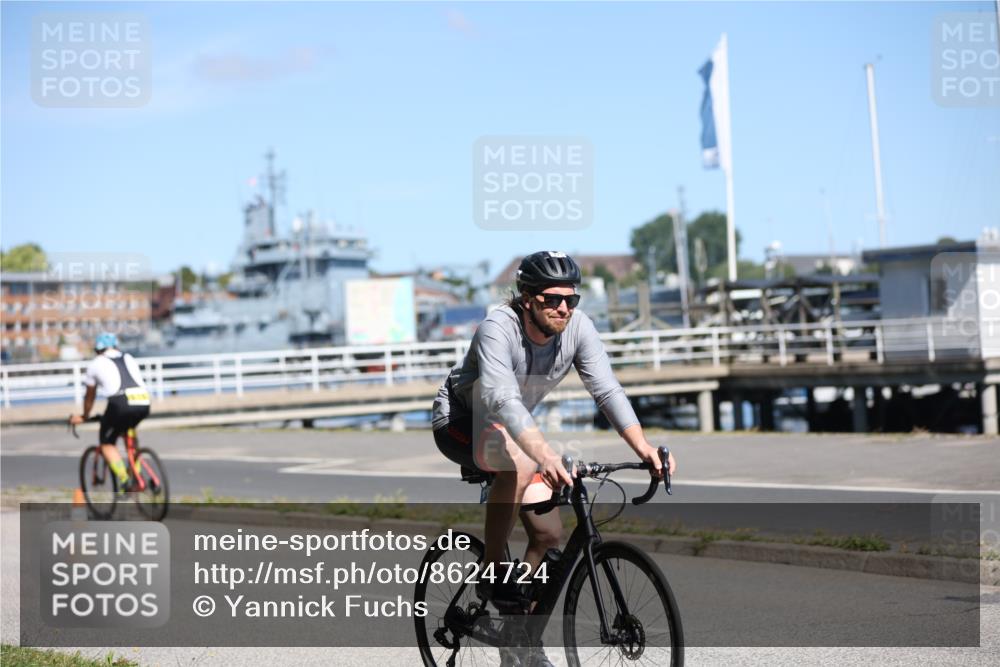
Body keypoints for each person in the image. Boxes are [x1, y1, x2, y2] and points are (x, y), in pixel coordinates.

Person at [431, 251, 678, 661]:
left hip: (511, 426)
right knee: (523, 461)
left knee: (548, 535)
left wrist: (645, 449)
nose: (563, 307)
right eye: (551, 299)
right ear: (527, 298)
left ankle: (519, 639)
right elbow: (502, 400)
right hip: (462, 419)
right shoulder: (498, 329)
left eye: (571, 299)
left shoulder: (578, 328)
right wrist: (544, 454)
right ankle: (492, 574)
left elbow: (607, 390)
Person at [69, 332, 151, 492]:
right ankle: (137, 474)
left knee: (106, 442)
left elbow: (89, 397)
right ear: (115, 346)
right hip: (143, 401)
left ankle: (125, 479)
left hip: (120, 403)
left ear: (98, 349)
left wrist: (85, 416)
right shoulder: (129, 357)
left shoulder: (95, 363)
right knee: (129, 430)